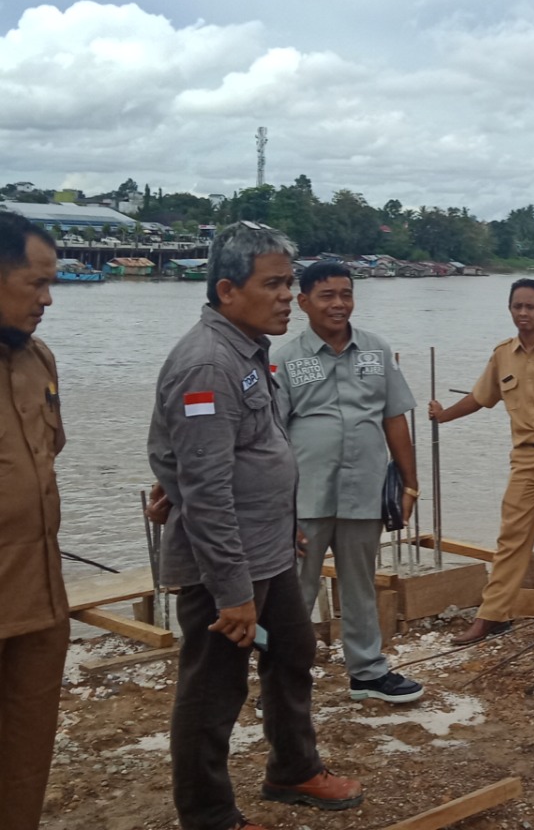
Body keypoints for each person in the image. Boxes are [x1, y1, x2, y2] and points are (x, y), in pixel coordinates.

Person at [147, 223, 362, 830]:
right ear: (227, 289)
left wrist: (282, 518)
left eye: (289, 282)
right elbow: (205, 488)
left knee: (292, 652)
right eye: (273, 285)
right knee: (213, 691)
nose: (288, 296)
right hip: (226, 566)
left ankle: (293, 769)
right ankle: (209, 816)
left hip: (267, 548)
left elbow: (247, 450)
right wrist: (232, 592)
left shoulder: (246, 349)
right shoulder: (208, 364)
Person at [272, 261, 423, 703]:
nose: (339, 304)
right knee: (294, 593)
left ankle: (368, 674)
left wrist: (410, 486)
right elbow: (271, 436)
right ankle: (283, 683)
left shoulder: (377, 351)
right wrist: (278, 507)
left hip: (365, 491)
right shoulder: (283, 359)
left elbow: (394, 419)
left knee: (360, 585)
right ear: (303, 302)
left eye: (346, 294)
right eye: (327, 296)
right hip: (305, 496)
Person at [428, 278, 534, 645]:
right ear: (509, 309)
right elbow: (480, 397)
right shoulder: (503, 354)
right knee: (511, 538)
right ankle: (492, 615)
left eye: (530, 307)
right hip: (524, 457)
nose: (523, 313)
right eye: (517, 306)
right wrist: (443, 416)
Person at [0, 212, 67, 830]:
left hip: (40, 601)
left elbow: (48, 456)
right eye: (36, 283)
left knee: (24, 760)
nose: (47, 300)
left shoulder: (37, 359)